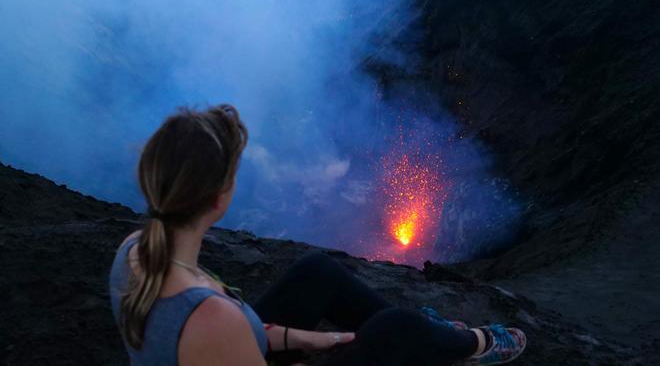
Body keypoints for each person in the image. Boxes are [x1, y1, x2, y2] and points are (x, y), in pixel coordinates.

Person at [108, 105, 526, 365]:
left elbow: (236, 332)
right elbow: (223, 331)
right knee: (394, 327)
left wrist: (321, 339)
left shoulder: (136, 251)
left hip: (226, 346)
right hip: (225, 345)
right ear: (220, 198)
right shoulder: (213, 319)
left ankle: (429, 336)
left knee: (317, 271)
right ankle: (472, 345)